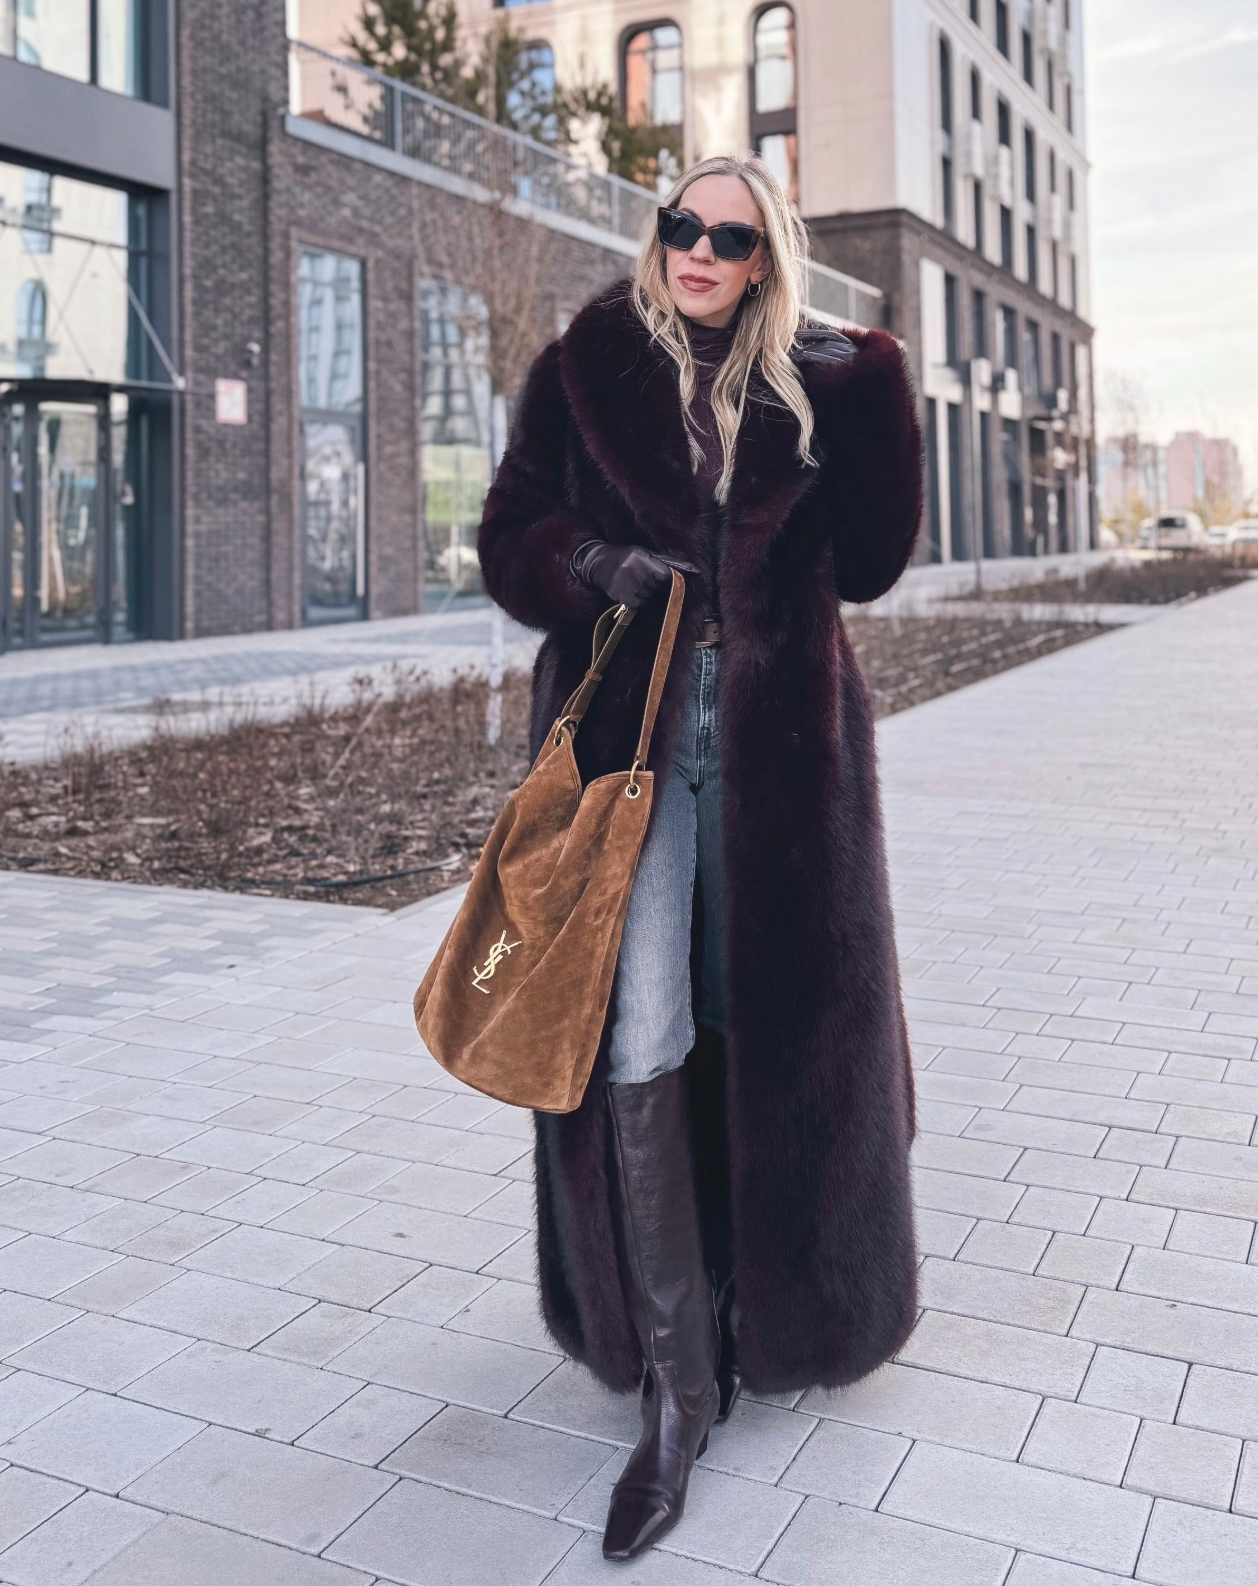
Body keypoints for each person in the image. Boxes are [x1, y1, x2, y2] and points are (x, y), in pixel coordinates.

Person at [478, 153, 924, 1562]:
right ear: (655, 230)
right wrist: (589, 566)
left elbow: (868, 567)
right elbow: (504, 542)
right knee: (639, 1031)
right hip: (628, 747)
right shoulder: (584, 364)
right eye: (683, 226)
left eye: (731, 238)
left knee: (766, 1020)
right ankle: (675, 1394)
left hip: (779, 750)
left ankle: (756, 1309)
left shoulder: (810, 383)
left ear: (762, 255)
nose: (701, 251)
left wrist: (879, 393)